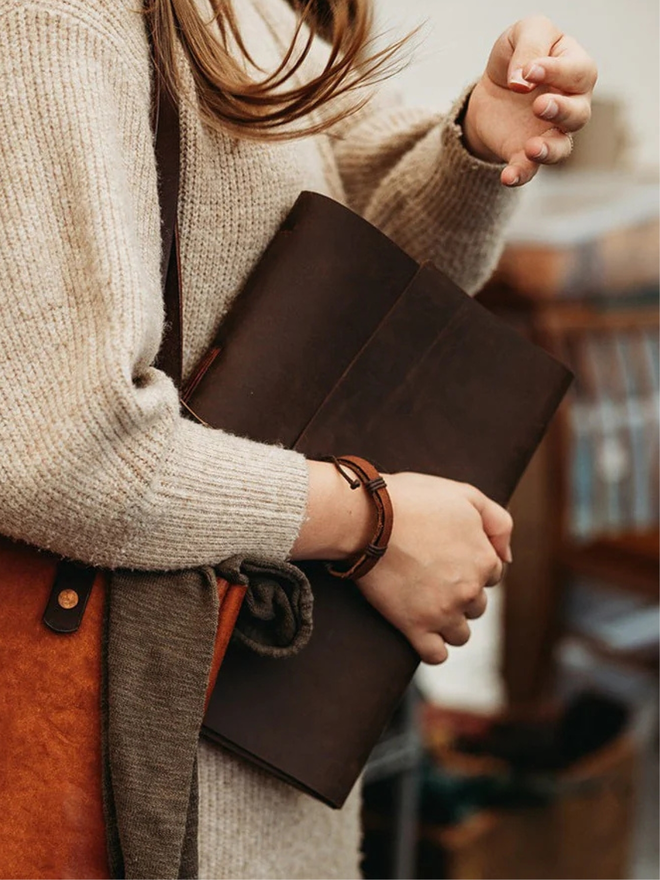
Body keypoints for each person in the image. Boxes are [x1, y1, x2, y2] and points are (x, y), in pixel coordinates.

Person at [0, 0, 596, 877]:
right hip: (141, 762)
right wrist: (373, 521)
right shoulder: (58, 20)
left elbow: (367, 282)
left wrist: (475, 142)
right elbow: (58, 447)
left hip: (248, 745)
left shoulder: (258, 14)